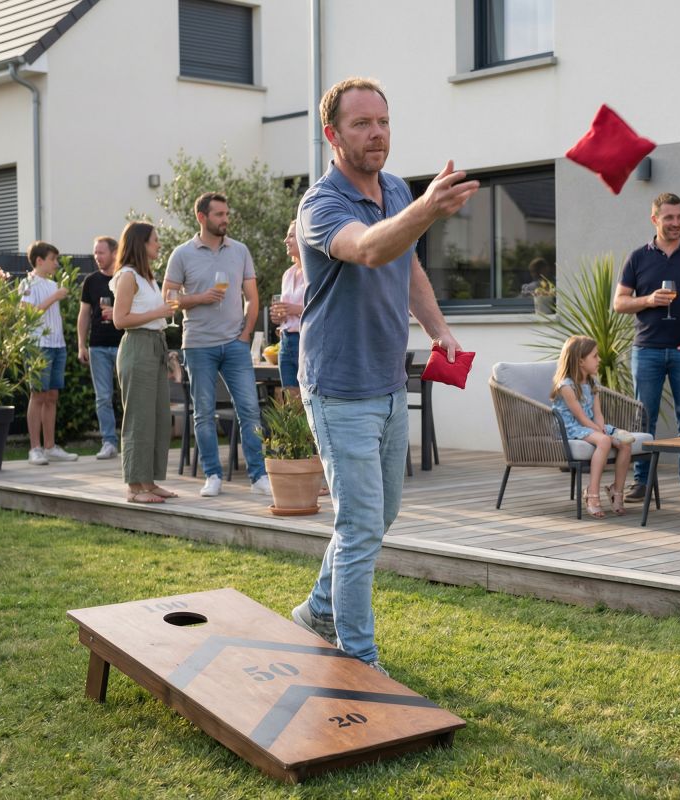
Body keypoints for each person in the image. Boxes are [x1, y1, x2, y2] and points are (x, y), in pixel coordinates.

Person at [291, 77, 478, 674]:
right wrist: (427, 209)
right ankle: (359, 658)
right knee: (360, 524)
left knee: (379, 516)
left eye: (383, 122)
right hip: (339, 387)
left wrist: (437, 328)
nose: (377, 134)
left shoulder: (395, 188)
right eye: (362, 124)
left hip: (390, 382)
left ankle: (318, 610)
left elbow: (408, 265)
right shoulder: (321, 205)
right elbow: (370, 248)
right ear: (333, 134)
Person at [164, 192, 270, 498]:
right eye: (219, 214)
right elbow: (168, 299)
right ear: (202, 217)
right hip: (198, 345)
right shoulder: (182, 254)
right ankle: (212, 475)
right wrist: (200, 298)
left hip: (235, 344)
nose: (225, 219)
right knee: (203, 413)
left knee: (250, 410)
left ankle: (259, 476)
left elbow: (252, 298)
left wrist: (245, 335)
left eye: (227, 214)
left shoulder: (240, 251)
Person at [613, 192, 680, 503]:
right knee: (643, 420)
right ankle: (641, 483)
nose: (676, 223)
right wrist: (647, 300)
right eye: (669, 217)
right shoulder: (637, 257)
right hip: (647, 350)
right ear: (654, 219)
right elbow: (619, 303)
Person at [110, 221, 176, 504]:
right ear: (141, 243)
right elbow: (120, 319)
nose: (158, 244)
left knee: (157, 417)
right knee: (139, 418)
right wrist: (159, 312)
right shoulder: (127, 276)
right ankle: (134, 488)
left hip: (154, 347)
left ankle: (148, 481)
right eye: (154, 240)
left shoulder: (146, 277)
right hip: (137, 347)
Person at [550, 336, 634, 518]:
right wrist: (602, 434)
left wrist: (601, 428)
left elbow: (598, 413)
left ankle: (616, 490)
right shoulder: (566, 386)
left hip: (590, 424)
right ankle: (592, 493)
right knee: (604, 441)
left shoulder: (592, 383)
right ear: (580, 361)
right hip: (571, 427)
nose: (599, 360)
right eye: (595, 356)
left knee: (625, 444)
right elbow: (580, 417)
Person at [19, 241, 78, 466]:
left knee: (52, 396)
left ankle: (50, 447)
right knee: (38, 395)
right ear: (39, 260)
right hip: (38, 345)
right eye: (53, 259)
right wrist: (55, 297)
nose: (56, 263)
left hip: (57, 345)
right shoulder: (27, 283)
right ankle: (35, 449)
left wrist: (56, 294)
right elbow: (28, 314)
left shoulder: (53, 284)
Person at [77, 236, 123, 459]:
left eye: (101, 252)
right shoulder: (91, 281)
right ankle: (109, 443)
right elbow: (84, 314)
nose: (97, 257)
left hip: (125, 344)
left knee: (129, 396)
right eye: (95, 252)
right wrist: (81, 344)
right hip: (98, 346)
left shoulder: (125, 278)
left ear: (114, 253)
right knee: (103, 397)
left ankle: (132, 442)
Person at [269, 220, 305, 394]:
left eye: (291, 236)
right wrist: (279, 317)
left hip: (305, 341)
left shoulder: (315, 273)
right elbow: (284, 311)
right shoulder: (288, 274)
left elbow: (325, 309)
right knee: (291, 401)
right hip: (285, 342)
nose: (285, 240)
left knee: (309, 399)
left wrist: (295, 310)